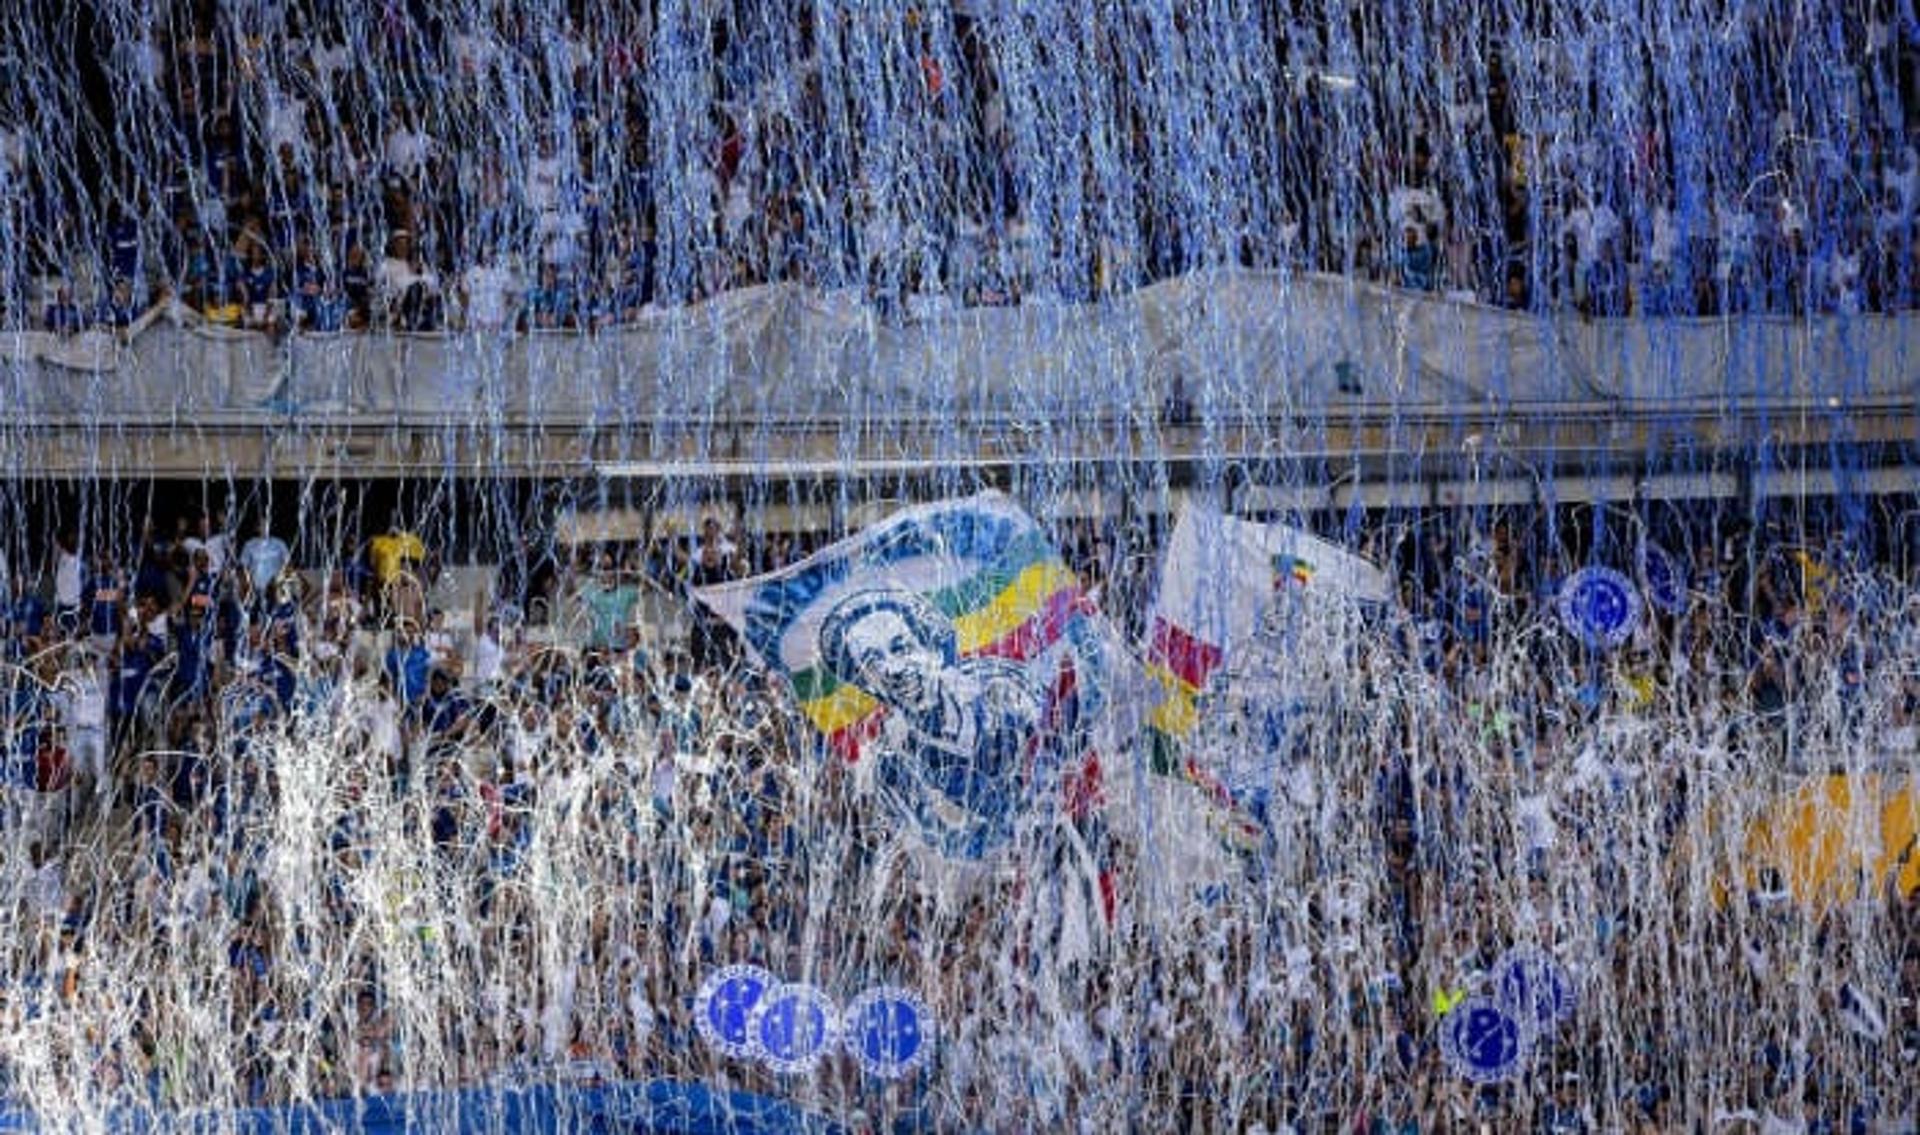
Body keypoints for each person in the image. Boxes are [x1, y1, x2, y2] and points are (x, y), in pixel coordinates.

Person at [817, 586, 1047, 859]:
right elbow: (945, 841)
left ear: (933, 650)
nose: (893, 669)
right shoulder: (893, 767)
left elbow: (1061, 732)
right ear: (867, 684)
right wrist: (1010, 831)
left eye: (901, 648)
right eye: (873, 663)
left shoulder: (1004, 686)